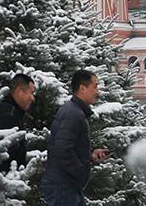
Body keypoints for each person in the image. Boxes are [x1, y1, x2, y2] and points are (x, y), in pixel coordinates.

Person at [43, 69, 108, 206]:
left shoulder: (74, 111)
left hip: (67, 185)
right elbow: (62, 149)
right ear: (82, 88)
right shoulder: (73, 114)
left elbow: (66, 146)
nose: (97, 92)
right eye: (95, 86)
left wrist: (90, 157)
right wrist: (80, 171)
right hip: (63, 186)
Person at [0, 73, 36, 182]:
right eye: (31, 93)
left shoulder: (10, 109)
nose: (33, 98)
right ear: (19, 91)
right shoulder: (9, 114)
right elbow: (5, 151)